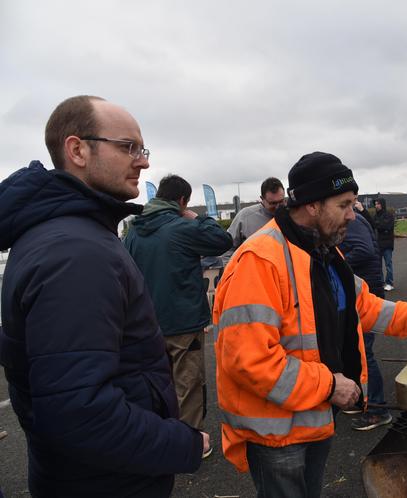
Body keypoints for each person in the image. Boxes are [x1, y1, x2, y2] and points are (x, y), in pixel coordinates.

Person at [0, 96, 206, 497]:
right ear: (77, 149)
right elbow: (79, 413)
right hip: (107, 481)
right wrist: (184, 445)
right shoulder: (75, 251)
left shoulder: (69, 233)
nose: (143, 161)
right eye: (128, 147)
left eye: (142, 149)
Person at [213, 151, 407, 498]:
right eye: (344, 205)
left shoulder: (322, 251)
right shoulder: (260, 261)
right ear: (311, 205)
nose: (353, 215)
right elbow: (249, 360)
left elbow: (360, 306)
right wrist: (326, 386)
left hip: (314, 419)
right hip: (277, 436)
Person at [124, 174, 232, 446]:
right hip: (183, 321)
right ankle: (190, 440)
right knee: (188, 382)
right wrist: (196, 217)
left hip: (147, 322)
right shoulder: (180, 227)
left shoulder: (134, 231)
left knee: (158, 382)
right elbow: (222, 239)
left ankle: (162, 433)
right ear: (182, 200)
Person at [339, 205, 392, 430]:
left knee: (364, 352)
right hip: (356, 290)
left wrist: (333, 262)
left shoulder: (354, 221)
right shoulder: (349, 221)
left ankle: (378, 409)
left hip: (365, 290)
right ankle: (361, 399)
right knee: (352, 349)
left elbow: (365, 250)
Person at [227, 177, 285, 249]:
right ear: (262, 199)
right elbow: (227, 248)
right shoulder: (244, 217)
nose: (278, 207)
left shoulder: (293, 215)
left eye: (281, 201)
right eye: (273, 203)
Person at [373, 197, 396, 290]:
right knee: (378, 266)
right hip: (377, 244)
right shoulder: (375, 216)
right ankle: (381, 283)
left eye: (378, 204)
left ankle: (389, 283)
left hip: (387, 245)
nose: (376, 205)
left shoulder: (389, 215)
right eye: (375, 204)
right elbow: (375, 225)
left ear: (382, 204)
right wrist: (380, 225)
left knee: (388, 265)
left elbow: (386, 226)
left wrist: (378, 225)